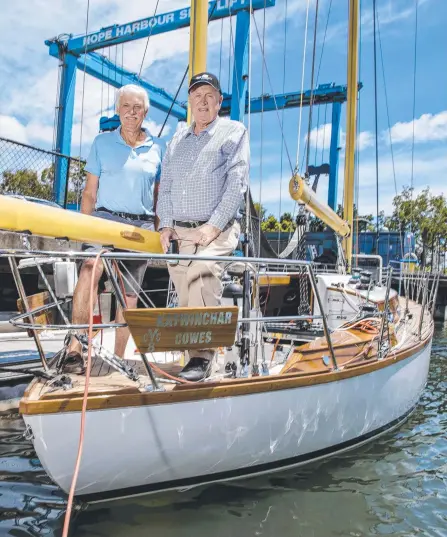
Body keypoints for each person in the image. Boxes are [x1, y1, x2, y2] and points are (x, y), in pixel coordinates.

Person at [157, 72, 249, 382]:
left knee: (202, 272)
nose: (203, 101)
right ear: (190, 102)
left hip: (217, 229)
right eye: (197, 96)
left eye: (209, 95)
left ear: (220, 101)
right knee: (185, 296)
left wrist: (212, 226)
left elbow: (237, 183)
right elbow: (166, 186)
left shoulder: (233, 131)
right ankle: (195, 367)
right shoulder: (177, 140)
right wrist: (165, 225)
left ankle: (201, 357)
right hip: (180, 232)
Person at [63, 84, 162, 372]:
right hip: (104, 219)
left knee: (128, 296)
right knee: (89, 269)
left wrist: (158, 231)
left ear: (145, 112)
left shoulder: (158, 148)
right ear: (117, 110)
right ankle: (76, 346)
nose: (131, 113)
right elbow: (90, 193)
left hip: (140, 226)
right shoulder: (101, 143)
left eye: (137, 108)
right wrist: (83, 225)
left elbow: (159, 197)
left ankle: (118, 357)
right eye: (125, 107)